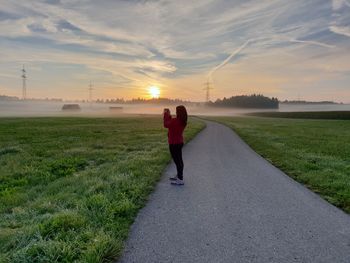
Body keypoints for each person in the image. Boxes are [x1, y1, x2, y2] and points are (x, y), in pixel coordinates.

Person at [163, 105, 187, 185]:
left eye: (176, 111)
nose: (175, 112)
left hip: (174, 144)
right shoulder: (182, 121)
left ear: (178, 112)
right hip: (179, 142)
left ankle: (180, 179)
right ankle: (179, 176)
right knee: (179, 160)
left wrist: (166, 114)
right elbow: (171, 123)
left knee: (177, 161)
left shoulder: (175, 121)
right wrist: (169, 116)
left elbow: (166, 124)